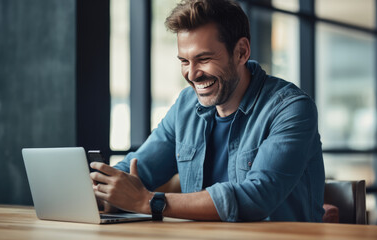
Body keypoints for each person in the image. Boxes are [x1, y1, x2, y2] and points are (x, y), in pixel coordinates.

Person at [90, 0, 325, 222]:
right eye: (184, 61)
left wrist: (148, 202)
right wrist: (103, 192)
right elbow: (138, 168)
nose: (192, 74)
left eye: (203, 59)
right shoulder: (185, 106)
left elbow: (256, 197)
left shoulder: (291, 108)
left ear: (241, 52)